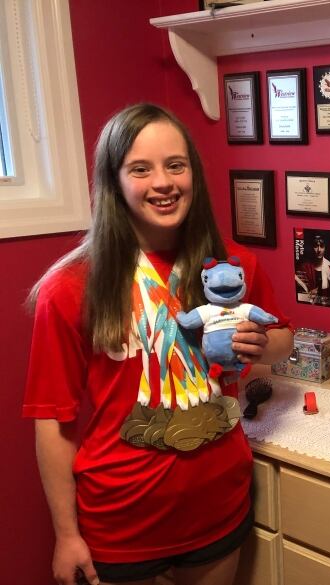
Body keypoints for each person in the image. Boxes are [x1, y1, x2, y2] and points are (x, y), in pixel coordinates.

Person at [23, 103, 293, 585]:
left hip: (219, 505)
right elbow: (53, 422)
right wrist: (66, 534)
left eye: (176, 165)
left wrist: (264, 346)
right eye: (140, 169)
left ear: (193, 173)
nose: (163, 183)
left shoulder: (233, 267)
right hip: (121, 522)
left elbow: (283, 340)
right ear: (114, 181)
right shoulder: (69, 287)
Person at [294, 232, 330, 307]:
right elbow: (299, 293)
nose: (319, 250)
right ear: (311, 247)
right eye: (316, 246)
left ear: (325, 248)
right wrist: (308, 294)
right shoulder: (304, 267)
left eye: (322, 246)